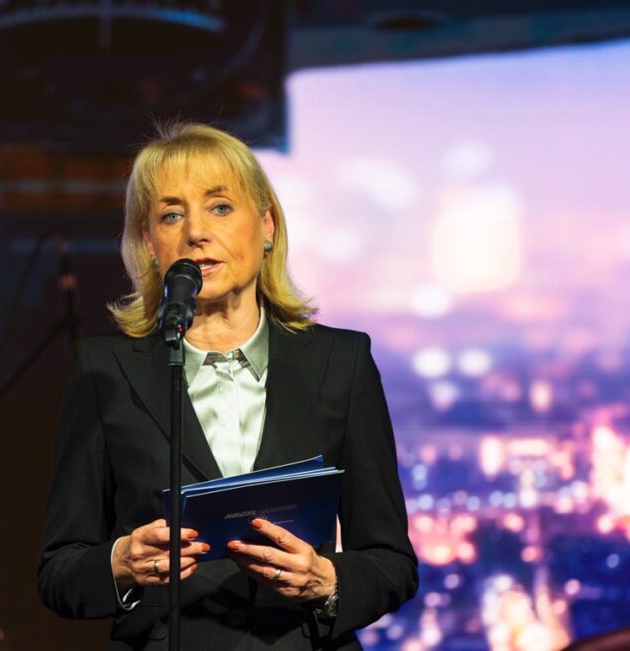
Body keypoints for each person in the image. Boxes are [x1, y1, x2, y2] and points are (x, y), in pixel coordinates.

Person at [38, 122, 417, 649]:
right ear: (149, 244)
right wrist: (119, 564)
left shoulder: (342, 362)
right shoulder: (104, 370)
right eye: (171, 215)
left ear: (266, 226)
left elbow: (391, 562)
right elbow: (59, 573)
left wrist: (328, 582)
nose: (196, 232)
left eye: (220, 207)